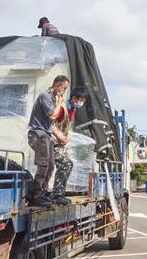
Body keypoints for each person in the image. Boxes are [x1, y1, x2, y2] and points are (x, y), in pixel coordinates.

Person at [27, 75, 68, 207]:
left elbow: (50, 125)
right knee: (43, 165)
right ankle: (36, 195)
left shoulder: (51, 98)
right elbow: (53, 116)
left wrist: (59, 136)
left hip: (46, 135)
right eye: (64, 88)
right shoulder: (45, 96)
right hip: (38, 135)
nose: (64, 91)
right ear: (57, 85)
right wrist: (60, 102)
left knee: (50, 165)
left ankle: (43, 193)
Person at [51, 86, 88, 203]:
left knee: (68, 164)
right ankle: (56, 195)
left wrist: (68, 136)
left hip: (61, 142)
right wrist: (59, 137)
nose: (81, 103)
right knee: (64, 164)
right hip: (52, 141)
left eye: (83, 101)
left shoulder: (72, 108)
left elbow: (69, 125)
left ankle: (58, 193)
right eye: (80, 100)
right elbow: (50, 123)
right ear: (73, 98)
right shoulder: (62, 108)